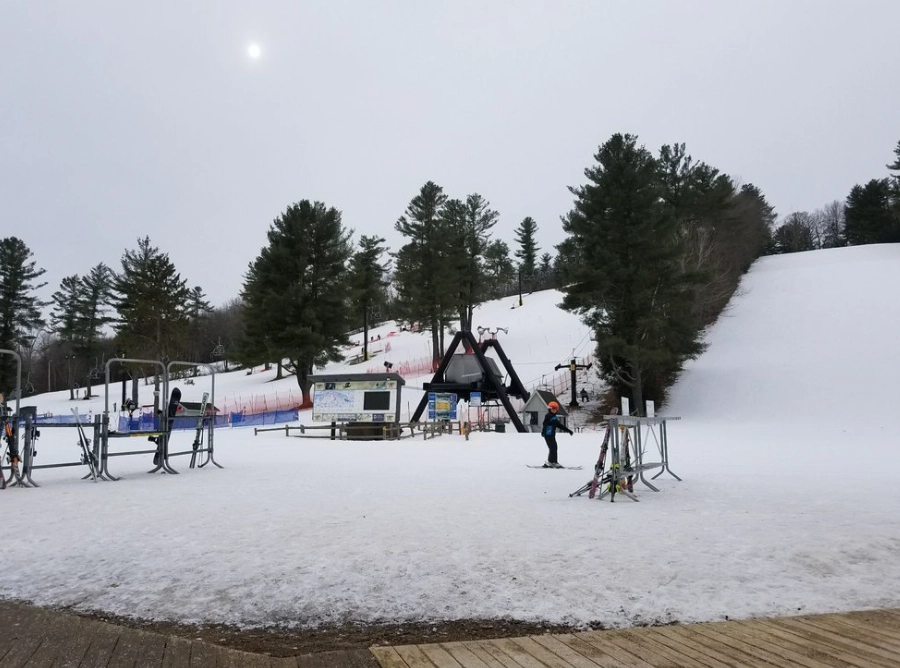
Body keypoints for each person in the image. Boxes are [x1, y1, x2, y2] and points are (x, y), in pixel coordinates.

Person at [542, 401, 573, 468]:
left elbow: (559, 425)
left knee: (554, 448)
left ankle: (551, 461)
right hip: (548, 435)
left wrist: (568, 430)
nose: (554, 410)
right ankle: (553, 462)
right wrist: (543, 432)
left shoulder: (554, 417)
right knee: (553, 448)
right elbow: (544, 424)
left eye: (555, 409)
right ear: (550, 409)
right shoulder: (549, 416)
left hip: (551, 435)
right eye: (553, 409)